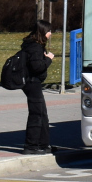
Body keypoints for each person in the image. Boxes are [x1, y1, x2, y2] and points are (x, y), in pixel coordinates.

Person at [20, 20, 56, 155]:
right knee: (36, 114)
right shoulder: (35, 47)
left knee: (42, 114)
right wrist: (48, 59)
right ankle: (31, 146)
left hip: (33, 82)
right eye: (48, 31)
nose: (50, 34)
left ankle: (43, 144)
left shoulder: (33, 45)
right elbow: (37, 67)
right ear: (42, 32)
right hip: (32, 82)